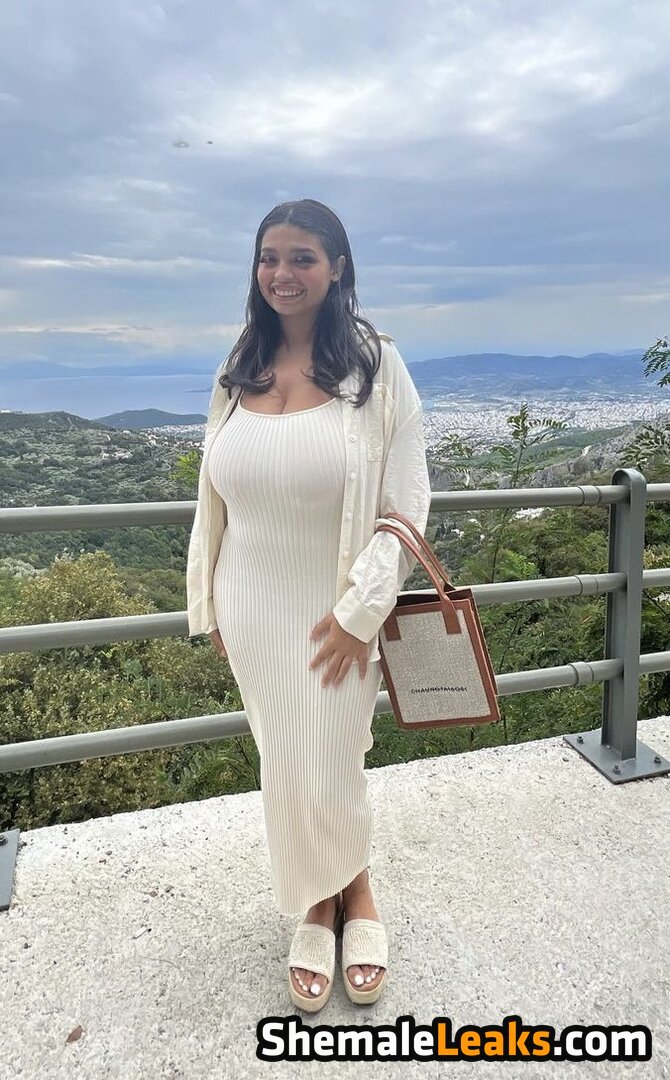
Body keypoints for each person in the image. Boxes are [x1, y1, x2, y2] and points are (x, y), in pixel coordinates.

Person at [186, 198, 431, 1011]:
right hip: (250, 605)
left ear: (337, 269)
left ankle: (348, 894)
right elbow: (213, 500)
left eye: (301, 258)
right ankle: (326, 898)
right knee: (289, 761)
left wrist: (362, 613)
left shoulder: (376, 366)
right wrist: (211, 602)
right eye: (269, 257)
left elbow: (407, 505)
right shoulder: (240, 362)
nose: (281, 273)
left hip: (338, 609)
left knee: (331, 755)